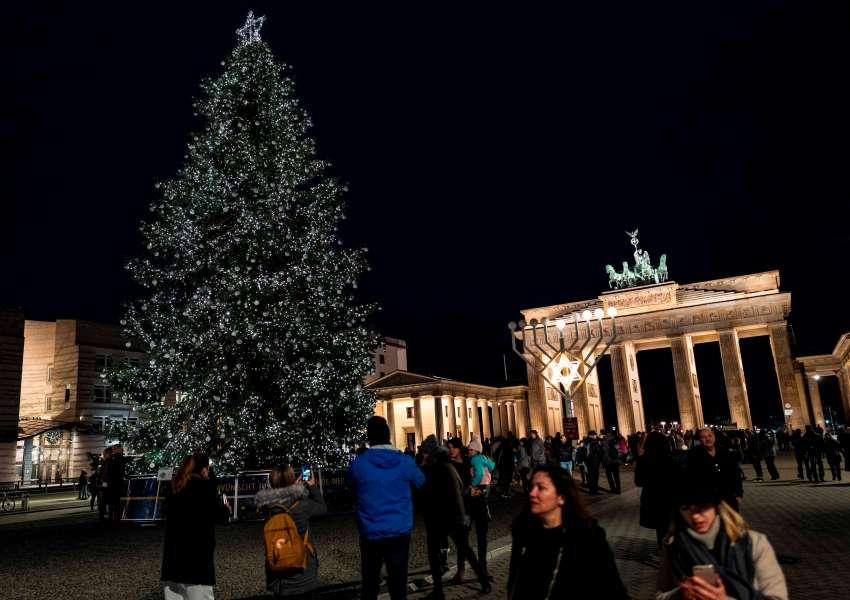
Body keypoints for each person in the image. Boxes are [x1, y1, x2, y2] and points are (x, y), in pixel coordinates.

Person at [507, 465, 628, 599]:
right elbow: (514, 581)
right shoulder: (523, 531)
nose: (532, 493)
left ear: (561, 498)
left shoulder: (587, 537)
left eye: (541, 488)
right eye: (531, 487)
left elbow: (613, 588)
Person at [656, 480, 788, 600]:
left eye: (702, 507)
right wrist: (681, 594)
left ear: (716, 508)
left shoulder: (753, 542)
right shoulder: (673, 544)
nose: (695, 515)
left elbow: (777, 597)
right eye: (686, 508)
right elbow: (661, 595)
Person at [347, 416, 425, 600]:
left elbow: (350, 484)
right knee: (398, 584)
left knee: (370, 584)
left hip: (370, 531)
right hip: (398, 530)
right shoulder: (405, 461)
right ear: (388, 434)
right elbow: (422, 482)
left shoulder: (359, 464)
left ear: (369, 436)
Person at [161, 453, 231, 600]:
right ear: (203, 469)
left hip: (173, 559)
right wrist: (226, 510)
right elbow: (220, 516)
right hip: (196, 560)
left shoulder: (175, 488)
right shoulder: (204, 489)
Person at [254, 464, 327, 598]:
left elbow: (280, 497)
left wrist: (292, 488)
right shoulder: (302, 506)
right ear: (292, 479)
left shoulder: (268, 508)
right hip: (304, 573)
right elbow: (323, 508)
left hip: (279, 576)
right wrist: (310, 486)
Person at [635, 431, 678, 552]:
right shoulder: (671, 460)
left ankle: (664, 556)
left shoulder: (644, 460)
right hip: (669, 500)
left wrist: (641, 457)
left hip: (652, 500)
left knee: (661, 531)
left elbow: (638, 482)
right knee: (672, 528)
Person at [686, 428, 743, 512]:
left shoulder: (725, 452)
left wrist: (739, 494)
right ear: (699, 439)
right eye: (703, 437)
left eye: (710, 436)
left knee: (730, 524)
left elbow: (736, 474)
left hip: (728, 498)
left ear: (714, 436)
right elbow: (691, 478)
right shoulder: (693, 455)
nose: (708, 439)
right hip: (707, 501)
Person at [467, 437, 494, 579]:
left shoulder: (474, 460)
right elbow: (492, 466)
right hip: (486, 488)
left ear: (476, 450)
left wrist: (472, 484)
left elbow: (478, 473)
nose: (468, 451)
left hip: (478, 489)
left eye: (470, 449)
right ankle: (483, 568)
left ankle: (480, 569)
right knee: (482, 535)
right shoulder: (483, 457)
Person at [108, 444, 127, 522]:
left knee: (115, 503)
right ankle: (116, 518)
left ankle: (115, 518)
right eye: (113, 449)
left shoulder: (116, 458)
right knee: (116, 503)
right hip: (117, 483)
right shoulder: (116, 458)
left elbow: (117, 471)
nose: (113, 450)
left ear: (120, 449)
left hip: (115, 483)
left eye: (115, 448)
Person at [97, 447, 112, 521]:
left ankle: (104, 517)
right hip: (105, 486)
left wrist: (103, 484)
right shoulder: (105, 462)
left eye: (104, 454)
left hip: (106, 486)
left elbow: (105, 475)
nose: (102, 455)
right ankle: (104, 516)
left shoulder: (108, 463)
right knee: (104, 503)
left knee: (103, 502)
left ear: (107, 454)